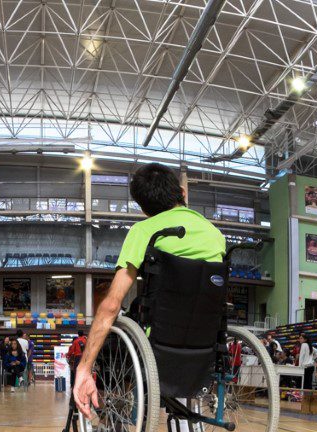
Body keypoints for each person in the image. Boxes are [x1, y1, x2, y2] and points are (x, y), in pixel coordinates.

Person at [74, 163, 226, 418]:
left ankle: (113, 415)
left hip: (156, 337)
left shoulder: (145, 230)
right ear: (182, 193)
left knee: (110, 345)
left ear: (144, 209)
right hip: (204, 341)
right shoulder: (215, 234)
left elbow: (112, 304)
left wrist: (84, 368)